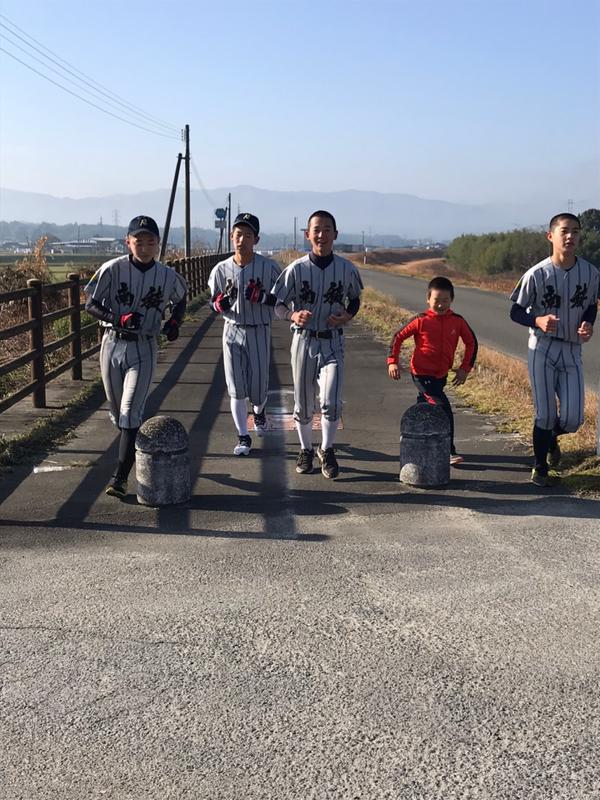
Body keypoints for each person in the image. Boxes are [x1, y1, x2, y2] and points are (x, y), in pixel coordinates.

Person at [84, 215, 187, 498]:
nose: (144, 247)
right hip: (112, 344)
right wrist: (116, 317)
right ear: (127, 242)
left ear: (158, 244)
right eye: (138, 241)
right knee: (118, 413)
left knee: (130, 413)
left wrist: (175, 322)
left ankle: (119, 478)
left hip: (144, 345)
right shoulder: (112, 269)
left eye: (150, 241)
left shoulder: (167, 275)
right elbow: (90, 303)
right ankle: (138, 453)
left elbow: (181, 298)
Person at [509, 212, 599, 487]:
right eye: (564, 231)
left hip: (572, 349)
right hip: (542, 348)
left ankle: (550, 438)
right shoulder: (537, 273)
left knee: (573, 420)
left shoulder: (591, 273)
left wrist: (588, 323)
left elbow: (590, 305)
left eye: (576, 231)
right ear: (551, 236)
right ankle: (540, 467)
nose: (570, 236)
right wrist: (536, 320)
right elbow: (515, 311)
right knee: (545, 414)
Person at [272, 210, 363, 479]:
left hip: (332, 340)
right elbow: (277, 303)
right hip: (304, 340)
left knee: (331, 400)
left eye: (327, 229)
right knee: (303, 403)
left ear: (335, 234)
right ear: (307, 235)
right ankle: (305, 449)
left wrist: (347, 316)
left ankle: (327, 448)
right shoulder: (296, 269)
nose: (321, 234)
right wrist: (292, 315)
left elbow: (354, 299)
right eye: (316, 229)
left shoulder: (346, 268)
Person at [208, 213, 281, 456]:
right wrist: (219, 304)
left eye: (248, 235)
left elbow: (283, 301)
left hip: (259, 329)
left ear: (256, 239)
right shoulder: (221, 269)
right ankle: (243, 436)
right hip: (232, 329)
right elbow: (212, 302)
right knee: (236, 388)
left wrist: (263, 297)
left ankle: (259, 413)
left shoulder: (269, 268)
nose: (242, 240)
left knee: (258, 388)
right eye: (238, 234)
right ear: (231, 236)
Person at [387, 276, 477, 465]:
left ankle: (419, 442)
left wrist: (465, 368)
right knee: (442, 408)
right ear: (428, 299)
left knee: (424, 408)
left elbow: (472, 343)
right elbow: (397, 337)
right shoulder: (421, 320)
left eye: (445, 300)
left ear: (452, 300)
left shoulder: (457, 321)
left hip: (441, 374)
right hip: (421, 373)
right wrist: (392, 361)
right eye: (437, 300)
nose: (441, 305)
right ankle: (448, 451)